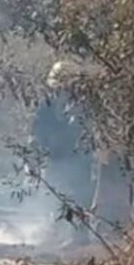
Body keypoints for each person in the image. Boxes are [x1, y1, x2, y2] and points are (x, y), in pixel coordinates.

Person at [32, 60, 97, 212]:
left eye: (65, 87)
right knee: (51, 200)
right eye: (59, 87)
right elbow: (38, 130)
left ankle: (78, 233)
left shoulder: (83, 105)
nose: (62, 91)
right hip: (54, 160)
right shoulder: (46, 105)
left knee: (80, 201)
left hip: (79, 162)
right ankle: (50, 229)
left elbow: (87, 132)